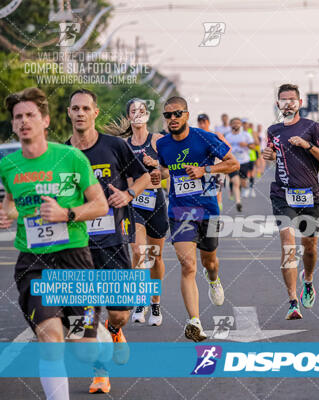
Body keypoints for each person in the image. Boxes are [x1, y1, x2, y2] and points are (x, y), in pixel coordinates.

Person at [0, 87, 109, 399]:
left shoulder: (71, 158)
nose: (24, 121)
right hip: (34, 263)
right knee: (50, 341)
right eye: (18, 117)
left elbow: (100, 206)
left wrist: (67, 213)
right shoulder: (8, 166)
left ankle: (96, 333)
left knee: (84, 351)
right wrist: (7, 214)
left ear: (45, 121)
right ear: (13, 125)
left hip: (74, 259)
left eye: (30, 115)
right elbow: (10, 201)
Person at [65, 89, 151, 393]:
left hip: (112, 241)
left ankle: (115, 330)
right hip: (76, 247)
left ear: (95, 113)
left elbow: (144, 178)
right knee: (86, 314)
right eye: (75, 108)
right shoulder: (62, 155)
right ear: (69, 113)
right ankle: (99, 372)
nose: (80, 113)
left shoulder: (114, 147)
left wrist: (128, 194)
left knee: (119, 312)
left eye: (85, 108)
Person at [156, 96, 239, 341]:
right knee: (187, 265)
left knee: (209, 262)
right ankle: (195, 321)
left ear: (186, 115)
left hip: (208, 209)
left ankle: (213, 280)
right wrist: (155, 174)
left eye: (177, 114)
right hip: (180, 212)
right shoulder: (162, 145)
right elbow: (164, 170)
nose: (172, 119)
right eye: (168, 115)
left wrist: (206, 170)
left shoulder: (204, 137)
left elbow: (233, 163)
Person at [262, 83, 319, 320]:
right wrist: (269, 155)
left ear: (300, 103)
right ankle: (293, 301)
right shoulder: (273, 130)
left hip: (310, 195)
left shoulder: (313, 127)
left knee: (310, 247)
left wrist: (308, 145)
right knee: (288, 245)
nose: (288, 103)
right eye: (284, 100)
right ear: (278, 105)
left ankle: (309, 281)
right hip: (283, 194)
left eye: (292, 99)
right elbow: (274, 155)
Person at [120, 99, 168, 327]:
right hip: (133, 203)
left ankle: (155, 302)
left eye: (141, 110)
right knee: (139, 252)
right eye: (133, 111)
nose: (137, 114)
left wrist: (156, 166)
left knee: (155, 256)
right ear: (129, 117)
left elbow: (169, 171)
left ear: (147, 115)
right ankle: (140, 300)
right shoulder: (123, 145)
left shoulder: (158, 141)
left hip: (156, 202)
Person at [225, 117, 256, 211]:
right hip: (233, 163)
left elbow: (254, 147)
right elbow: (224, 150)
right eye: (233, 123)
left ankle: (244, 188)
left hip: (244, 162)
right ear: (230, 125)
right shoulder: (227, 136)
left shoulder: (246, 135)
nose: (236, 124)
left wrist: (246, 145)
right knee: (235, 182)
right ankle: (238, 202)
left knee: (243, 183)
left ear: (241, 125)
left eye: (238, 123)